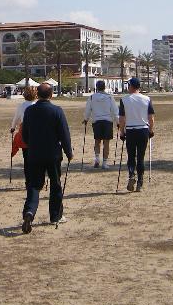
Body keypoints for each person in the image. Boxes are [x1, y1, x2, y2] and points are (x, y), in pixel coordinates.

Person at [21, 83, 73, 234]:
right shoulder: (57, 110)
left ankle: (29, 213)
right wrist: (68, 152)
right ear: (51, 95)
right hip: (53, 154)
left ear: (37, 94)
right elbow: (64, 133)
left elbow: (25, 133)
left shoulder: (29, 111)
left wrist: (30, 144)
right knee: (55, 185)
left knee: (34, 186)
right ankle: (56, 216)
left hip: (34, 154)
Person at [118, 77, 155, 193]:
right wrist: (151, 130)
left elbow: (122, 119)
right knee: (141, 157)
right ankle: (140, 181)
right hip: (143, 130)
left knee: (131, 156)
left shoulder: (124, 100)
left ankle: (131, 175)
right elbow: (151, 118)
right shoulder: (147, 99)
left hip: (130, 130)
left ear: (131, 86)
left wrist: (122, 131)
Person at [83, 80, 119, 169]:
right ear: (104, 87)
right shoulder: (110, 97)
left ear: (96, 87)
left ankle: (97, 159)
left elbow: (88, 109)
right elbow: (115, 110)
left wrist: (86, 119)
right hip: (107, 121)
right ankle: (105, 163)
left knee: (97, 141)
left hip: (97, 121)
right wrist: (118, 122)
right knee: (106, 143)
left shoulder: (92, 97)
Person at [10, 86, 37, 188]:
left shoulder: (21, 106)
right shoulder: (37, 105)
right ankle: (35, 180)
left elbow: (16, 118)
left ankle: (28, 181)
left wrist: (12, 128)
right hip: (36, 135)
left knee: (26, 159)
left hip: (24, 133)